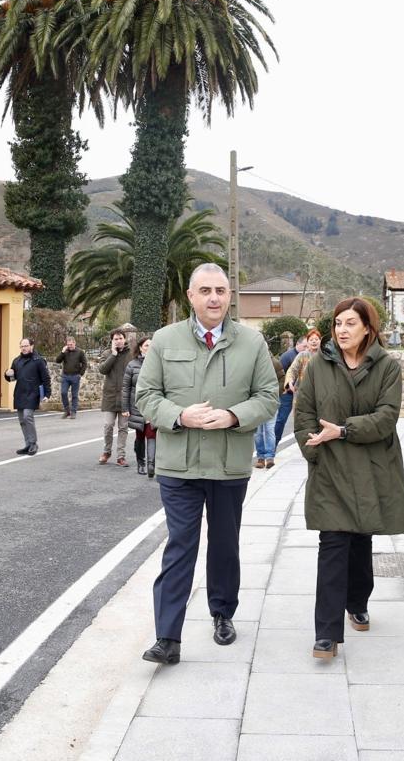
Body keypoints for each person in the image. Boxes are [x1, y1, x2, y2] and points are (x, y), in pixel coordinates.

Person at [134, 263, 279, 665]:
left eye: (221, 290)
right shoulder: (164, 340)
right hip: (178, 466)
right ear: (192, 297)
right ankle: (167, 637)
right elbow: (146, 395)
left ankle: (222, 613)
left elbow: (269, 396)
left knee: (224, 545)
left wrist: (233, 415)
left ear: (229, 296)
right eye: (206, 291)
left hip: (229, 465)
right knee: (180, 545)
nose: (214, 297)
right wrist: (180, 416)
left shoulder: (252, 342)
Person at [295, 298, 404, 658]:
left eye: (349, 323)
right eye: (337, 324)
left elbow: (387, 417)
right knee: (332, 544)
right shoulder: (317, 365)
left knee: (360, 540)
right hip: (330, 467)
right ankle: (326, 634)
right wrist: (314, 451)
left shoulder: (387, 367)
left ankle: (357, 601)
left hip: (371, 467)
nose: (341, 330)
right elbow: (304, 414)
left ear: (367, 328)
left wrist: (344, 430)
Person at [5, 337, 50, 455]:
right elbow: (12, 378)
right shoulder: (17, 361)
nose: (23, 348)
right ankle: (28, 444)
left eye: (26, 346)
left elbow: (46, 378)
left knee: (27, 416)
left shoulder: (38, 360)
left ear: (31, 346)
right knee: (22, 420)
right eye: (22, 346)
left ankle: (33, 443)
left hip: (32, 393)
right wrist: (7, 374)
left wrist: (47, 394)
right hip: (20, 393)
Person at [97, 329, 132, 466]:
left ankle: (121, 456)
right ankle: (106, 452)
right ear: (112, 341)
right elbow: (102, 370)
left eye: (120, 338)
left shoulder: (131, 354)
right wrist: (113, 354)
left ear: (124, 339)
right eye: (115, 339)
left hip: (125, 397)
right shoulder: (106, 353)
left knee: (123, 427)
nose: (118, 341)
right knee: (108, 425)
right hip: (110, 396)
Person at [121, 335, 153, 475]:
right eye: (146, 345)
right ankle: (141, 463)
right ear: (140, 348)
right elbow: (126, 388)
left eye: (152, 345)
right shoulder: (132, 365)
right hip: (137, 406)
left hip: (153, 406)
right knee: (140, 435)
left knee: (152, 434)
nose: (149, 348)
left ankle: (151, 465)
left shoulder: (159, 363)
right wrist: (125, 408)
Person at [253, 354, 285, 468]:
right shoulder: (252, 361)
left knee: (269, 429)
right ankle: (260, 457)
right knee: (258, 432)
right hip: (256, 401)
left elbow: (282, 378)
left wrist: (277, 393)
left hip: (271, 400)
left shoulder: (275, 362)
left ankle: (270, 457)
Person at [272, 334, 306, 442]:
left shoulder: (308, 356)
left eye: (307, 346)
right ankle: (274, 444)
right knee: (281, 419)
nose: (306, 349)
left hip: (302, 394)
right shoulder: (288, 356)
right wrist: (286, 387)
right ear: (297, 344)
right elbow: (280, 374)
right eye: (304, 346)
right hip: (287, 394)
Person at [55, 336, 88, 419]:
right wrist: (62, 352)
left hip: (75, 376)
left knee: (74, 395)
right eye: (68, 344)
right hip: (65, 376)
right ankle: (67, 411)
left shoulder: (80, 352)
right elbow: (57, 360)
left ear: (74, 343)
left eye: (71, 344)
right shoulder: (65, 352)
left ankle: (73, 412)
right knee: (63, 393)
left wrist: (80, 374)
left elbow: (84, 363)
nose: (69, 346)